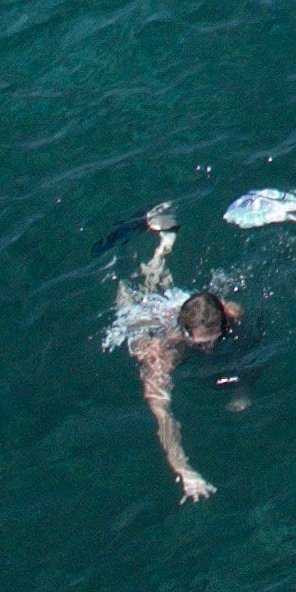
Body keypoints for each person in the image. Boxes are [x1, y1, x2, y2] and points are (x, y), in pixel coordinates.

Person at [109, 203, 250, 503]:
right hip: (145, 320)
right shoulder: (163, 352)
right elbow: (163, 414)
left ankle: (166, 242)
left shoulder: (230, 312)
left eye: (216, 338)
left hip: (180, 308)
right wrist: (184, 470)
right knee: (139, 289)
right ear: (187, 335)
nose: (210, 348)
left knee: (161, 281)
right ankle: (160, 241)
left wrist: (242, 388)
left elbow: (245, 346)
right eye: (202, 344)